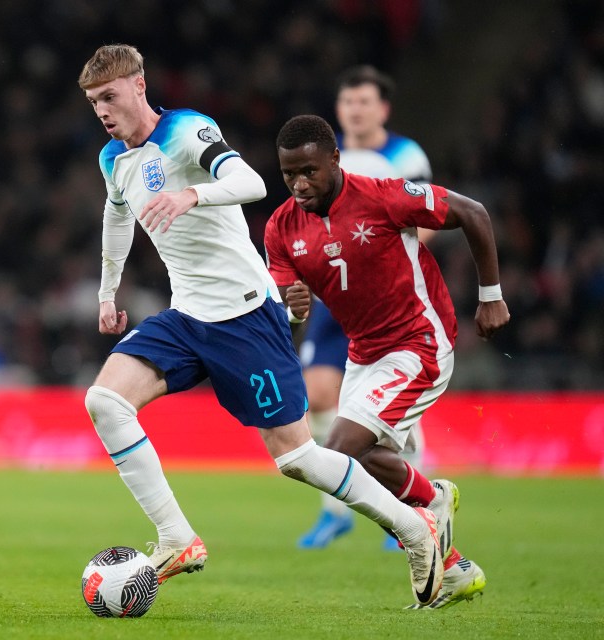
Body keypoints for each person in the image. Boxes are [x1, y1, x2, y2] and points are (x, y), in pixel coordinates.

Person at [78, 44, 444, 607]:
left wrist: (189, 194)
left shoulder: (187, 131)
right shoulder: (113, 159)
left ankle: (413, 525)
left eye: (108, 96)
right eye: (92, 101)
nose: (101, 110)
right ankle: (177, 539)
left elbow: (250, 182)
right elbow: (117, 214)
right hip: (187, 316)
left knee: (297, 459)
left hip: (247, 315)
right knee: (104, 401)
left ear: (139, 86)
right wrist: (108, 291)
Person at [265, 114, 510, 609]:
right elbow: (286, 307)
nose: (299, 184)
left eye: (309, 171)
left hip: (419, 342)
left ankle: (429, 505)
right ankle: (452, 558)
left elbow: (473, 212)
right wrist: (293, 306)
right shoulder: (281, 227)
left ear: (334, 159)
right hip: (363, 353)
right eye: (289, 174)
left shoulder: (381, 195)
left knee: (338, 452)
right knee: (354, 461)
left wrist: (490, 296)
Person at [297, 65, 435, 552]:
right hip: (333, 298)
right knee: (316, 397)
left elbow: (430, 219)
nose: (355, 110)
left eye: (364, 102)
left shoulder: (403, 156)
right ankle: (336, 513)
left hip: (387, 300)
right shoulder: (324, 156)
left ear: (383, 109)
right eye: (347, 102)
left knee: (392, 420)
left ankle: (415, 506)